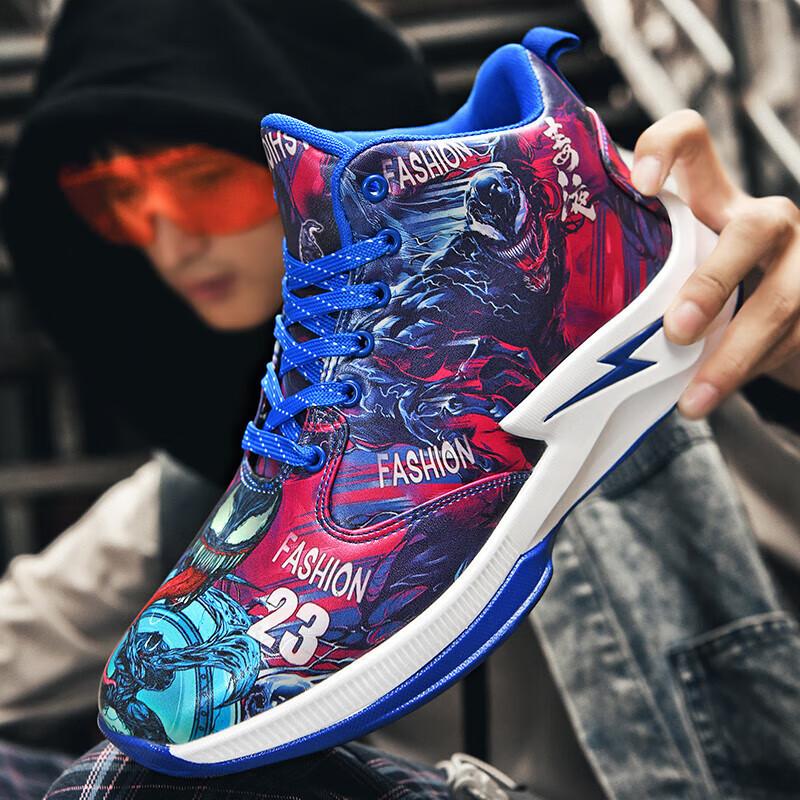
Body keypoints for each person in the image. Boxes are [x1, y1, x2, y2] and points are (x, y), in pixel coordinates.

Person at [3, 1, 800, 798]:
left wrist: (790, 367)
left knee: (120, 780)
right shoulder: (186, 493)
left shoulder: (650, 383)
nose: (168, 241)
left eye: (203, 182)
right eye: (111, 199)